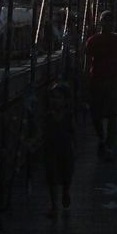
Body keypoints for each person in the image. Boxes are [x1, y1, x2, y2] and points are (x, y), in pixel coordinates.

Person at [84, 10, 117, 159]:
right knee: (96, 115)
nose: (108, 23)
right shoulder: (93, 40)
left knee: (113, 114)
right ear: (100, 22)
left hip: (113, 80)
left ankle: (109, 143)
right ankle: (102, 137)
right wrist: (86, 82)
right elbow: (87, 63)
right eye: (105, 20)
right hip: (97, 80)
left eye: (110, 21)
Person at [42, 82, 75, 218]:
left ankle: (66, 191)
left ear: (65, 100)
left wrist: (75, 147)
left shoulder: (68, 116)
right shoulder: (48, 116)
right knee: (52, 178)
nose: (55, 101)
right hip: (51, 151)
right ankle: (54, 206)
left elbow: (74, 132)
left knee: (66, 176)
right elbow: (43, 132)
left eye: (58, 98)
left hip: (66, 150)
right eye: (53, 97)